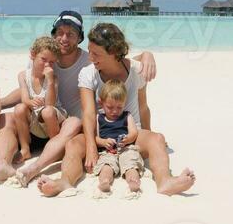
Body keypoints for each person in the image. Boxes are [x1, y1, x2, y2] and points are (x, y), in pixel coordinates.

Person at [0, 11, 157, 187]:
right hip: (38, 123)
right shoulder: (45, 57)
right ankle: (2, 164)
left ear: (80, 38)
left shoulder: (90, 61)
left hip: (64, 129)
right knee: (6, 118)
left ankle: (33, 169)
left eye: (71, 34)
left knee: (74, 122)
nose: (64, 38)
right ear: (53, 34)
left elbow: (117, 59)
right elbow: (31, 89)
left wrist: (146, 55)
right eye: (59, 33)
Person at [37, 23, 195, 197]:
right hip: (99, 136)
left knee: (157, 138)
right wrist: (91, 147)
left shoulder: (136, 70)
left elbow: (143, 107)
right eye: (89, 51)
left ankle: (165, 181)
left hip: (131, 135)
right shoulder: (88, 73)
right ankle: (64, 181)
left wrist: (149, 139)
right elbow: (88, 114)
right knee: (73, 144)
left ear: (114, 52)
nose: (90, 57)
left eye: (96, 54)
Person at [13, 36, 67, 164]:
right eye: (43, 59)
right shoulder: (23, 76)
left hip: (53, 116)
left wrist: (49, 81)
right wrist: (29, 102)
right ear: (33, 55)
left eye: (52, 62)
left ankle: (55, 149)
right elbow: (24, 97)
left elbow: (50, 104)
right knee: (19, 108)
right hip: (36, 117)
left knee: (47, 111)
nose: (47, 65)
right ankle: (25, 149)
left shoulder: (53, 78)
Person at [93, 80, 143, 195]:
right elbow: (94, 138)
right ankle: (105, 181)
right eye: (110, 107)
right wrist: (103, 142)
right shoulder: (98, 118)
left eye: (119, 107)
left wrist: (128, 139)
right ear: (101, 103)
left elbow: (134, 132)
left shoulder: (127, 116)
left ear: (124, 103)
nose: (115, 111)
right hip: (107, 151)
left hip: (126, 148)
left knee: (131, 164)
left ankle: (133, 181)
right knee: (106, 166)